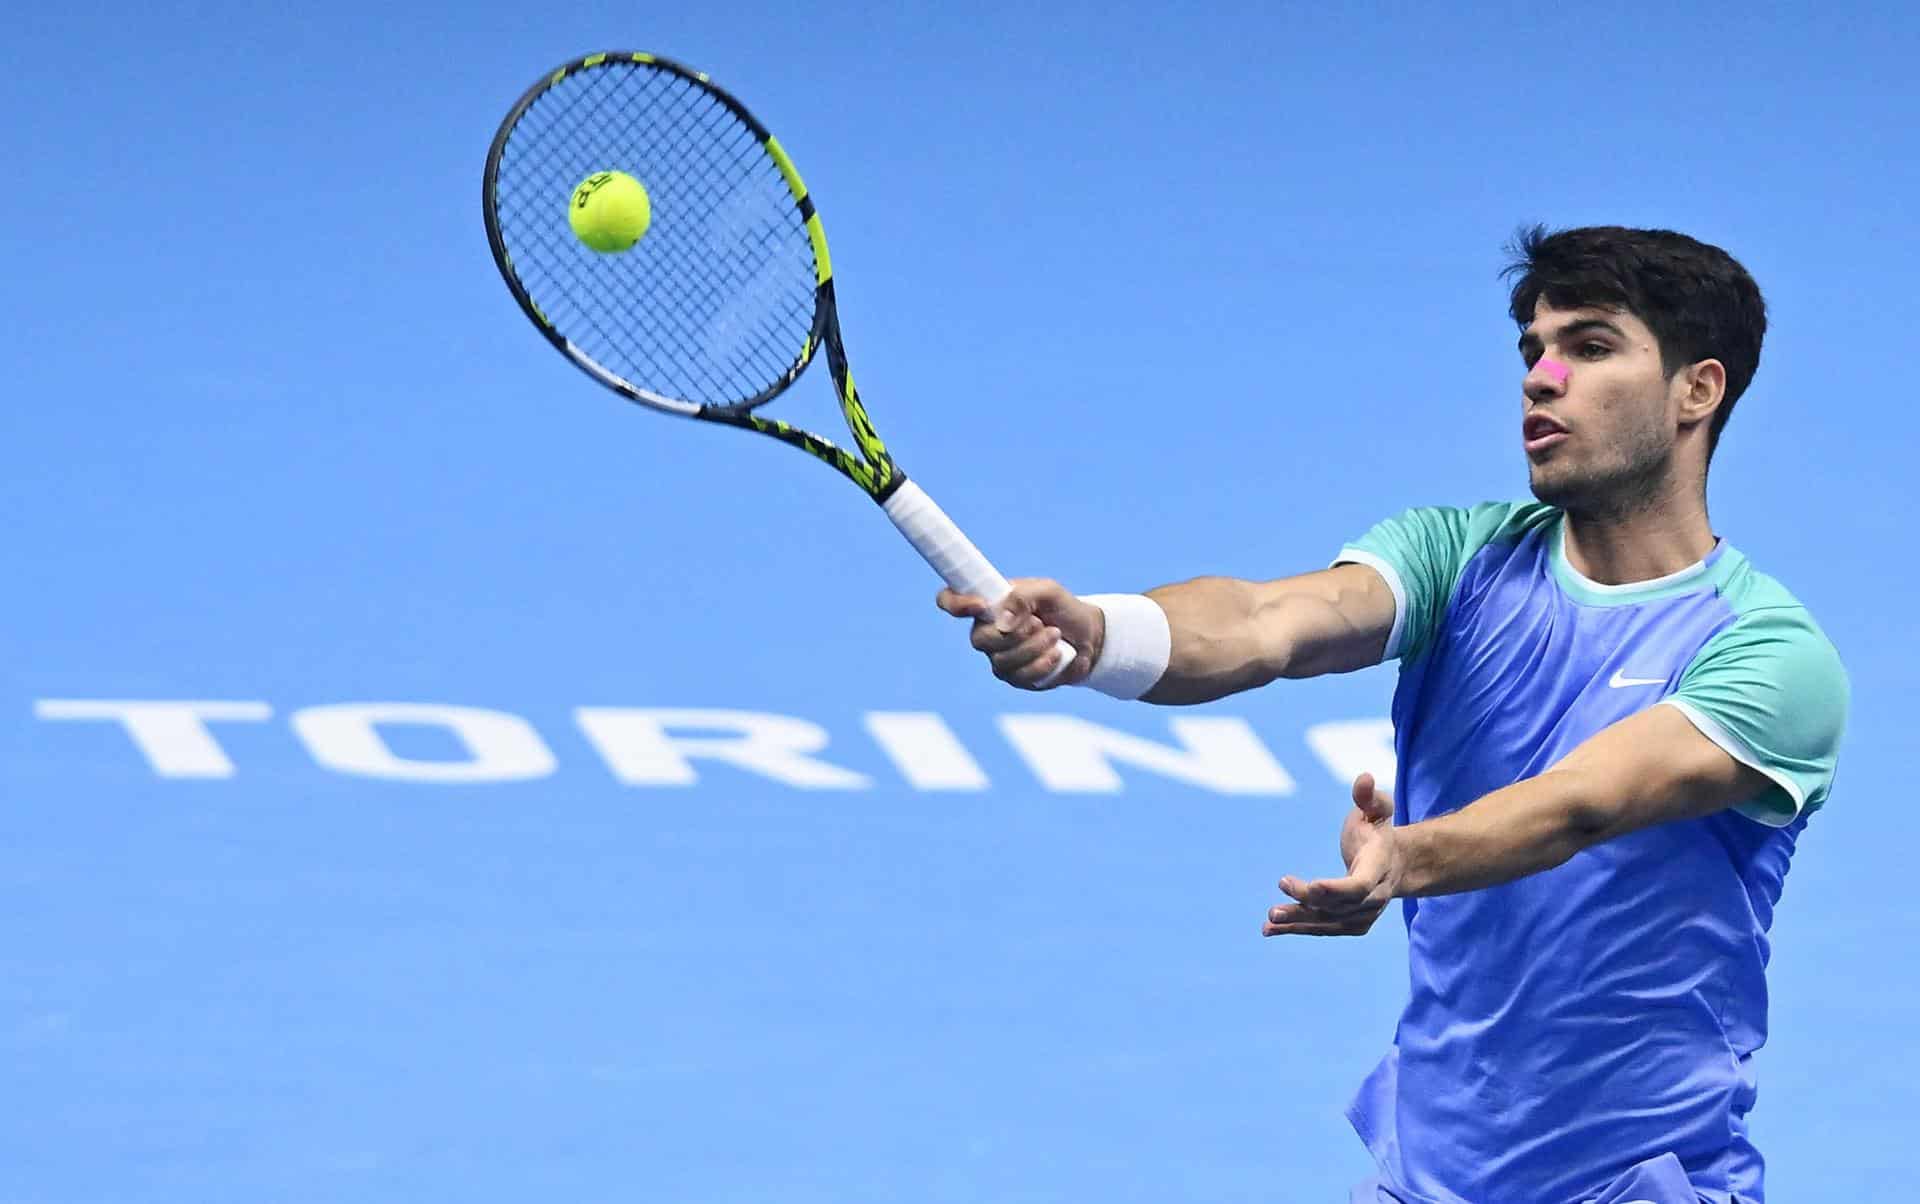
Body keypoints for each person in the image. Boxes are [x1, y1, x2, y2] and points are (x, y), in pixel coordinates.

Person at [936, 226, 1848, 1204]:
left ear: (1696, 391)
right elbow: (1265, 620)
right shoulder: (1454, 558)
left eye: (1588, 347)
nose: (1541, 377)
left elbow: (1585, 800)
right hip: (1426, 1185)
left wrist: (1407, 859)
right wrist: (1102, 636)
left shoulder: (1767, 654)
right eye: (1530, 350)